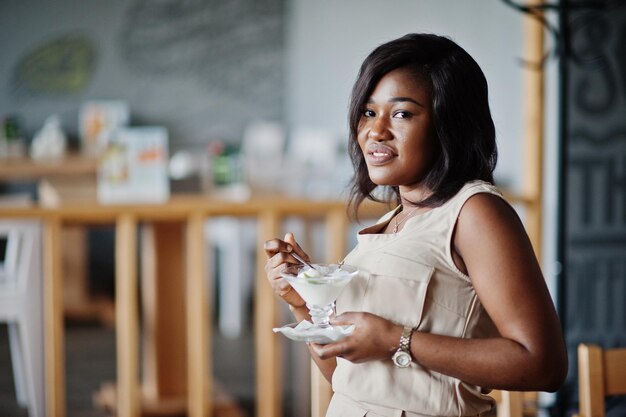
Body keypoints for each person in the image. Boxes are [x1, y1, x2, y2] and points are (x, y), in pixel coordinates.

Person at [264, 33, 567, 417]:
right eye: (369, 112)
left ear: (449, 123)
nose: (375, 131)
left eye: (402, 113)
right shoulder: (394, 221)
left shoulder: (477, 213)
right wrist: (306, 305)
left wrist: (396, 340)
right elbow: (350, 382)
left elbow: (543, 365)